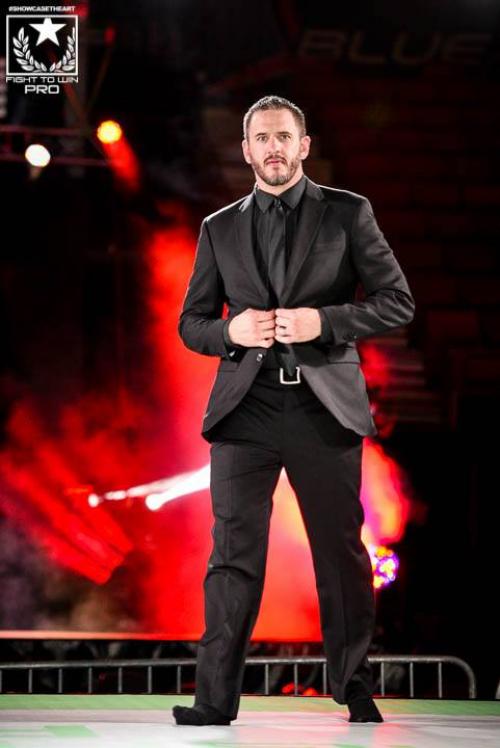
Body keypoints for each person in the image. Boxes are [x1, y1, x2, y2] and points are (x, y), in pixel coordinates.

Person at [173, 95, 415, 726]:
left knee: (339, 553)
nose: (274, 147)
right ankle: (212, 702)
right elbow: (192, 323)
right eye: (262, 138)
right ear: (246, 149)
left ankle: (354, 687)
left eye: (284, 136)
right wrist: (231, 332)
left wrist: (324, 322)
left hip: (322, 407)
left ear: (303, 145)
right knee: (232, 557)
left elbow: (397, 301)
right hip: (245, 410)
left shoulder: (348, 212)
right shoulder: (218, 228)